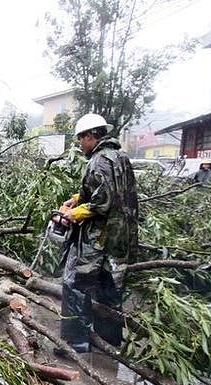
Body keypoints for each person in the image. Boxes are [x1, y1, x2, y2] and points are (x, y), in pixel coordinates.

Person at [52, 113, 138, 353]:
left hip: (99, 237)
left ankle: (75, 340)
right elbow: (114, 190)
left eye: (81, 138)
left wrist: (74, 214)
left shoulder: (99, 160)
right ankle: (108, 340)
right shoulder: (120, 157)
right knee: (108, 286)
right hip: (120, 237)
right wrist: (77, 198)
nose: (80, 144)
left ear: (92, 136)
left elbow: (103, 201)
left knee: (74, 283)